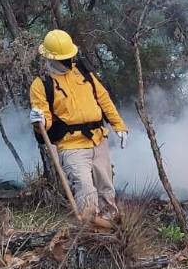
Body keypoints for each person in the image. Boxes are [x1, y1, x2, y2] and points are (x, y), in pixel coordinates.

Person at [29, 29, 129, 224]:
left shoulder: (82, 72)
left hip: (98, 139)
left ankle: (110, 229)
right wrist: (38, 121)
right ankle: (90, 230)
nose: (68, 61)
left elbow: (103, 98)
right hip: (71, 145)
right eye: (64, 58)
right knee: (85, 189)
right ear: (51, 58)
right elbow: (44, 122)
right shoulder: (41, 85)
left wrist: (119, 125)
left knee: (106, 187)